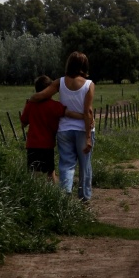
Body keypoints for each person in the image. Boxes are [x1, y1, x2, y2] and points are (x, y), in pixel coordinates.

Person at [30, 51, 95, 202]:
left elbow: (41, 95)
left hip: (64, 129)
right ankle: (84, 196)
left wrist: (32, 99)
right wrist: (88, 137)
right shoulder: (89, 85)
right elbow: (88, 112)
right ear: (84, 66)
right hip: (82, 129)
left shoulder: (60, 82)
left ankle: (65, 194)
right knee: (85, 164)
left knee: (66, 163)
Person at [20, 75, 84, 181]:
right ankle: (53, 195)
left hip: (32, 144)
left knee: (33, 174)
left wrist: (26, 105)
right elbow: (69, 113)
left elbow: (23, 124)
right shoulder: (54, 105)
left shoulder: (31, 104)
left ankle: (33, 194)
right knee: (50, 172)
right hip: (47, 145)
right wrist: (84, 117)